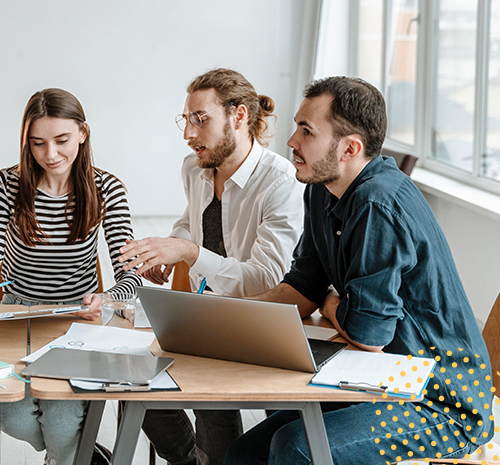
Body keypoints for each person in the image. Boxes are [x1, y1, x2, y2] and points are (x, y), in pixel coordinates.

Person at [224, 76, 494, 464]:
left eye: (306, 131)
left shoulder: (378, 203)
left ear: (350, 148)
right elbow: (303, 288)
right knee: (244, 454)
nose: (291, 142)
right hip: (384, 380)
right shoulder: (321, 188)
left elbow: (369, 337)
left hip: (442, 404)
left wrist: (331, 303)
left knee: (296, 449)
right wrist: (230, 319)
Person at [117, 68, 304, 465]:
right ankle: (187, 460)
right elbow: (192, 221)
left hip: (263, 320)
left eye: (201, 120)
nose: (188, 133)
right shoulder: (196, 168)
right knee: (132, 378)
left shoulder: (280, 182)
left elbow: (265, 279)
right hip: (210, 311)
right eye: (186, 119)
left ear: (239, 116)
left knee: (209, 397)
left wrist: (186, 251)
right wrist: (165, 251)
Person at [0, 88, 140, 464]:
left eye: (61, 140)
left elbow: (130, 277)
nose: (50, 155)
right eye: (37, 143)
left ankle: (69, 456)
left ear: (83, 133)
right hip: (16, 316)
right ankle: (80, 455)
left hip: (78, 321)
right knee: (11, 414)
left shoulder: (107, 188)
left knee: (63, 420)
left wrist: (109, 298)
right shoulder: (4, 186)